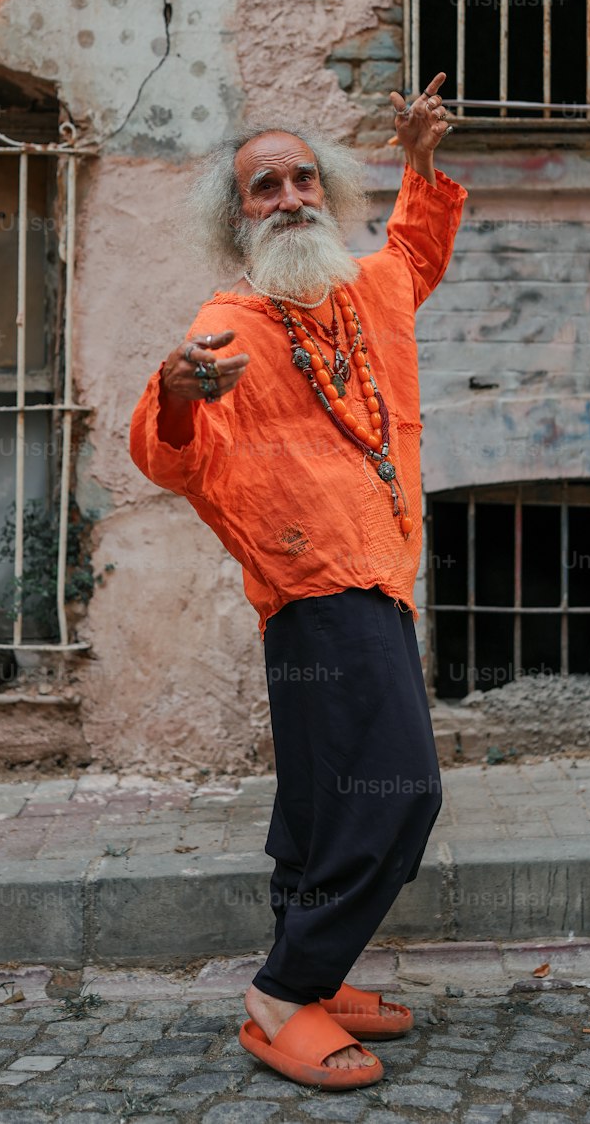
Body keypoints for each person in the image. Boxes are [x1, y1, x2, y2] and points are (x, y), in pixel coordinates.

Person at [128, 74, 467, 1091]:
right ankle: (284, 993)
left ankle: (315, 981)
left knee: (322, 804)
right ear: (238, 218)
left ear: (327, 192)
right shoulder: (226, 323)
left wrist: (416, 161)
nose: (287, 197)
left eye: (301, 179)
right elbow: (171, 456)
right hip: (312, 589)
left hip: (377, 577)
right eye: (262, 187)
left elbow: (413, 251)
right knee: (401, 791)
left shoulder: (366, 289)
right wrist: (179, 392)